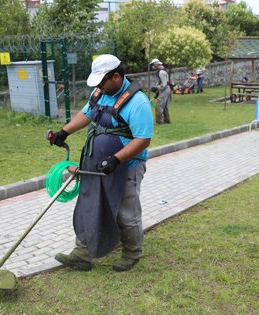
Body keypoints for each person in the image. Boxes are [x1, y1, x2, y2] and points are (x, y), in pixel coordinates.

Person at [49, 54, 154, 272]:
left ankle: (132, 252)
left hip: (127, 166)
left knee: (125, 212)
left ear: (116, 77)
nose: (98, 87)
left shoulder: (137, 102)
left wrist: (117, 159)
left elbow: (143, 139)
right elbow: (87, 114)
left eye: (101, 82)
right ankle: (82, 253)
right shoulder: (100, 92)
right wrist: (64, 131)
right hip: (95, 164)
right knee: (90, 205)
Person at [150, 58, 171, 124]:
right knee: (164, 106)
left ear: (157, 64)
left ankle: (159, 122)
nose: (153, 66)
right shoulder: (160, 71)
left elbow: (164, 84)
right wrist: (157, 87)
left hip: (165, 90)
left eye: (153, 65)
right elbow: (160, 82)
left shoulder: (161, 72)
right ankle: (167, 120)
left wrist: (156, 88)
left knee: (158, 106)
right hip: (165, 90)